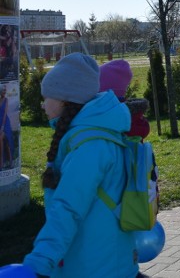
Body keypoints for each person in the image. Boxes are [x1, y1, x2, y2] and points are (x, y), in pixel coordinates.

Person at [22, 53, 139, 278]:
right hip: (102, 260)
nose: (43, 106)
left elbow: (67, 209)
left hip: (95, 266)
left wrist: (38, 264)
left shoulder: (90, 146)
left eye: (46, 98)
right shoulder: (91, 136)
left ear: (65, 101)